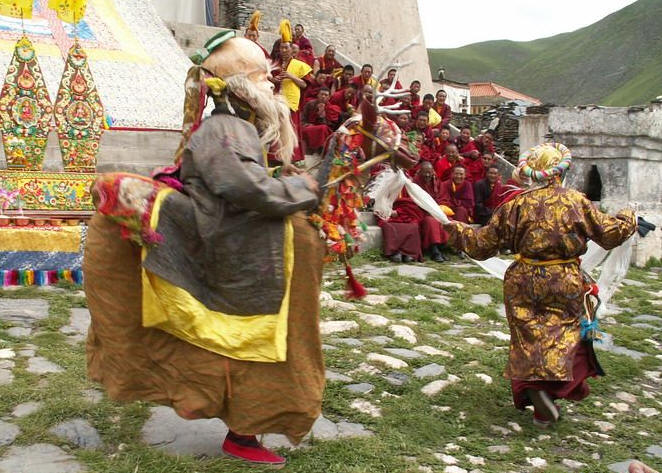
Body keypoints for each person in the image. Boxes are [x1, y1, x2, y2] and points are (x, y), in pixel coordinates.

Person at [85, 32, 326, 468]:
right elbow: (245, 188)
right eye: (264, 77)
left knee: (246, 345)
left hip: (238, 241)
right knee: (242, 343)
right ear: (242, 87)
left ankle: (242, 427)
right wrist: (305, 188)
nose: (273, 85)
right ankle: (235, 424)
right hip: (226, 248)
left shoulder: (236, 126)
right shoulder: (225, 129)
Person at [440, 143, 637, 428]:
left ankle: (536, 391)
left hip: (523, 280)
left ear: (533, 173)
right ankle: (550, 395)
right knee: (562, 335)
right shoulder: (576, 201)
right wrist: (628, 217)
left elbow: (482, 245)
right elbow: (609, 235)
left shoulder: (516, 204)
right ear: (561, 172)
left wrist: (456, 229)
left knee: (528, 337)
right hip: (564, 279)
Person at [272, 20, 312, 162]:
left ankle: (292, 157)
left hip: (291, 101)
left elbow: (304, 84)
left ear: (291, 49)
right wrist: (274, 80)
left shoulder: (299, 65)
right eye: (281, 48)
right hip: (276, 100)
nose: (283, 50)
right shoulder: (275, 64)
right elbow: (269, 80)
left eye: (286, 48)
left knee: (290, 129)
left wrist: (291, 76)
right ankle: (275, 156)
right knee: (277, 128)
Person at [377, 189, 424, 263]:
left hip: (406, 213)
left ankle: (409, 253)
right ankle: (395, 252)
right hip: (390, 213)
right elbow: (380, 202)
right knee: (388, 226)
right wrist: (388, 211)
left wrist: (400, 211)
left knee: (413, 226)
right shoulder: (386, 185)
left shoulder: (408, 186)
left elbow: (414, 202)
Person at [414, 161, 449, 262]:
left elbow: (443, 199)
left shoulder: (438, 183)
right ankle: (434, 251)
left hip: (437, 212)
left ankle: (442, 248)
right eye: (425, 172)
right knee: (430, 221)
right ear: (420, 172)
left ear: (433, 171)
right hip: (422, 213)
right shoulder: (415, 183)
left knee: (446, 221)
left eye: (429, 172)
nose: (427, 175)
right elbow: (414, 200)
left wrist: (437, 209)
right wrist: (428, 210)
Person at [301, 87, 340, 153]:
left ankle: (320, 150)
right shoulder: (310, 104)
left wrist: (322, 115)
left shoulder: (331, 108)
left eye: (326, 95)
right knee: (309, 129)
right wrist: (307, 125)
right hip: (309, 127)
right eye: (321, 94)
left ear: (329, 97)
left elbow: (330, 126)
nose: (323, 97)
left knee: (323, 128)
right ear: (318, 95)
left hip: (323, 129)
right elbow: (303, 118)